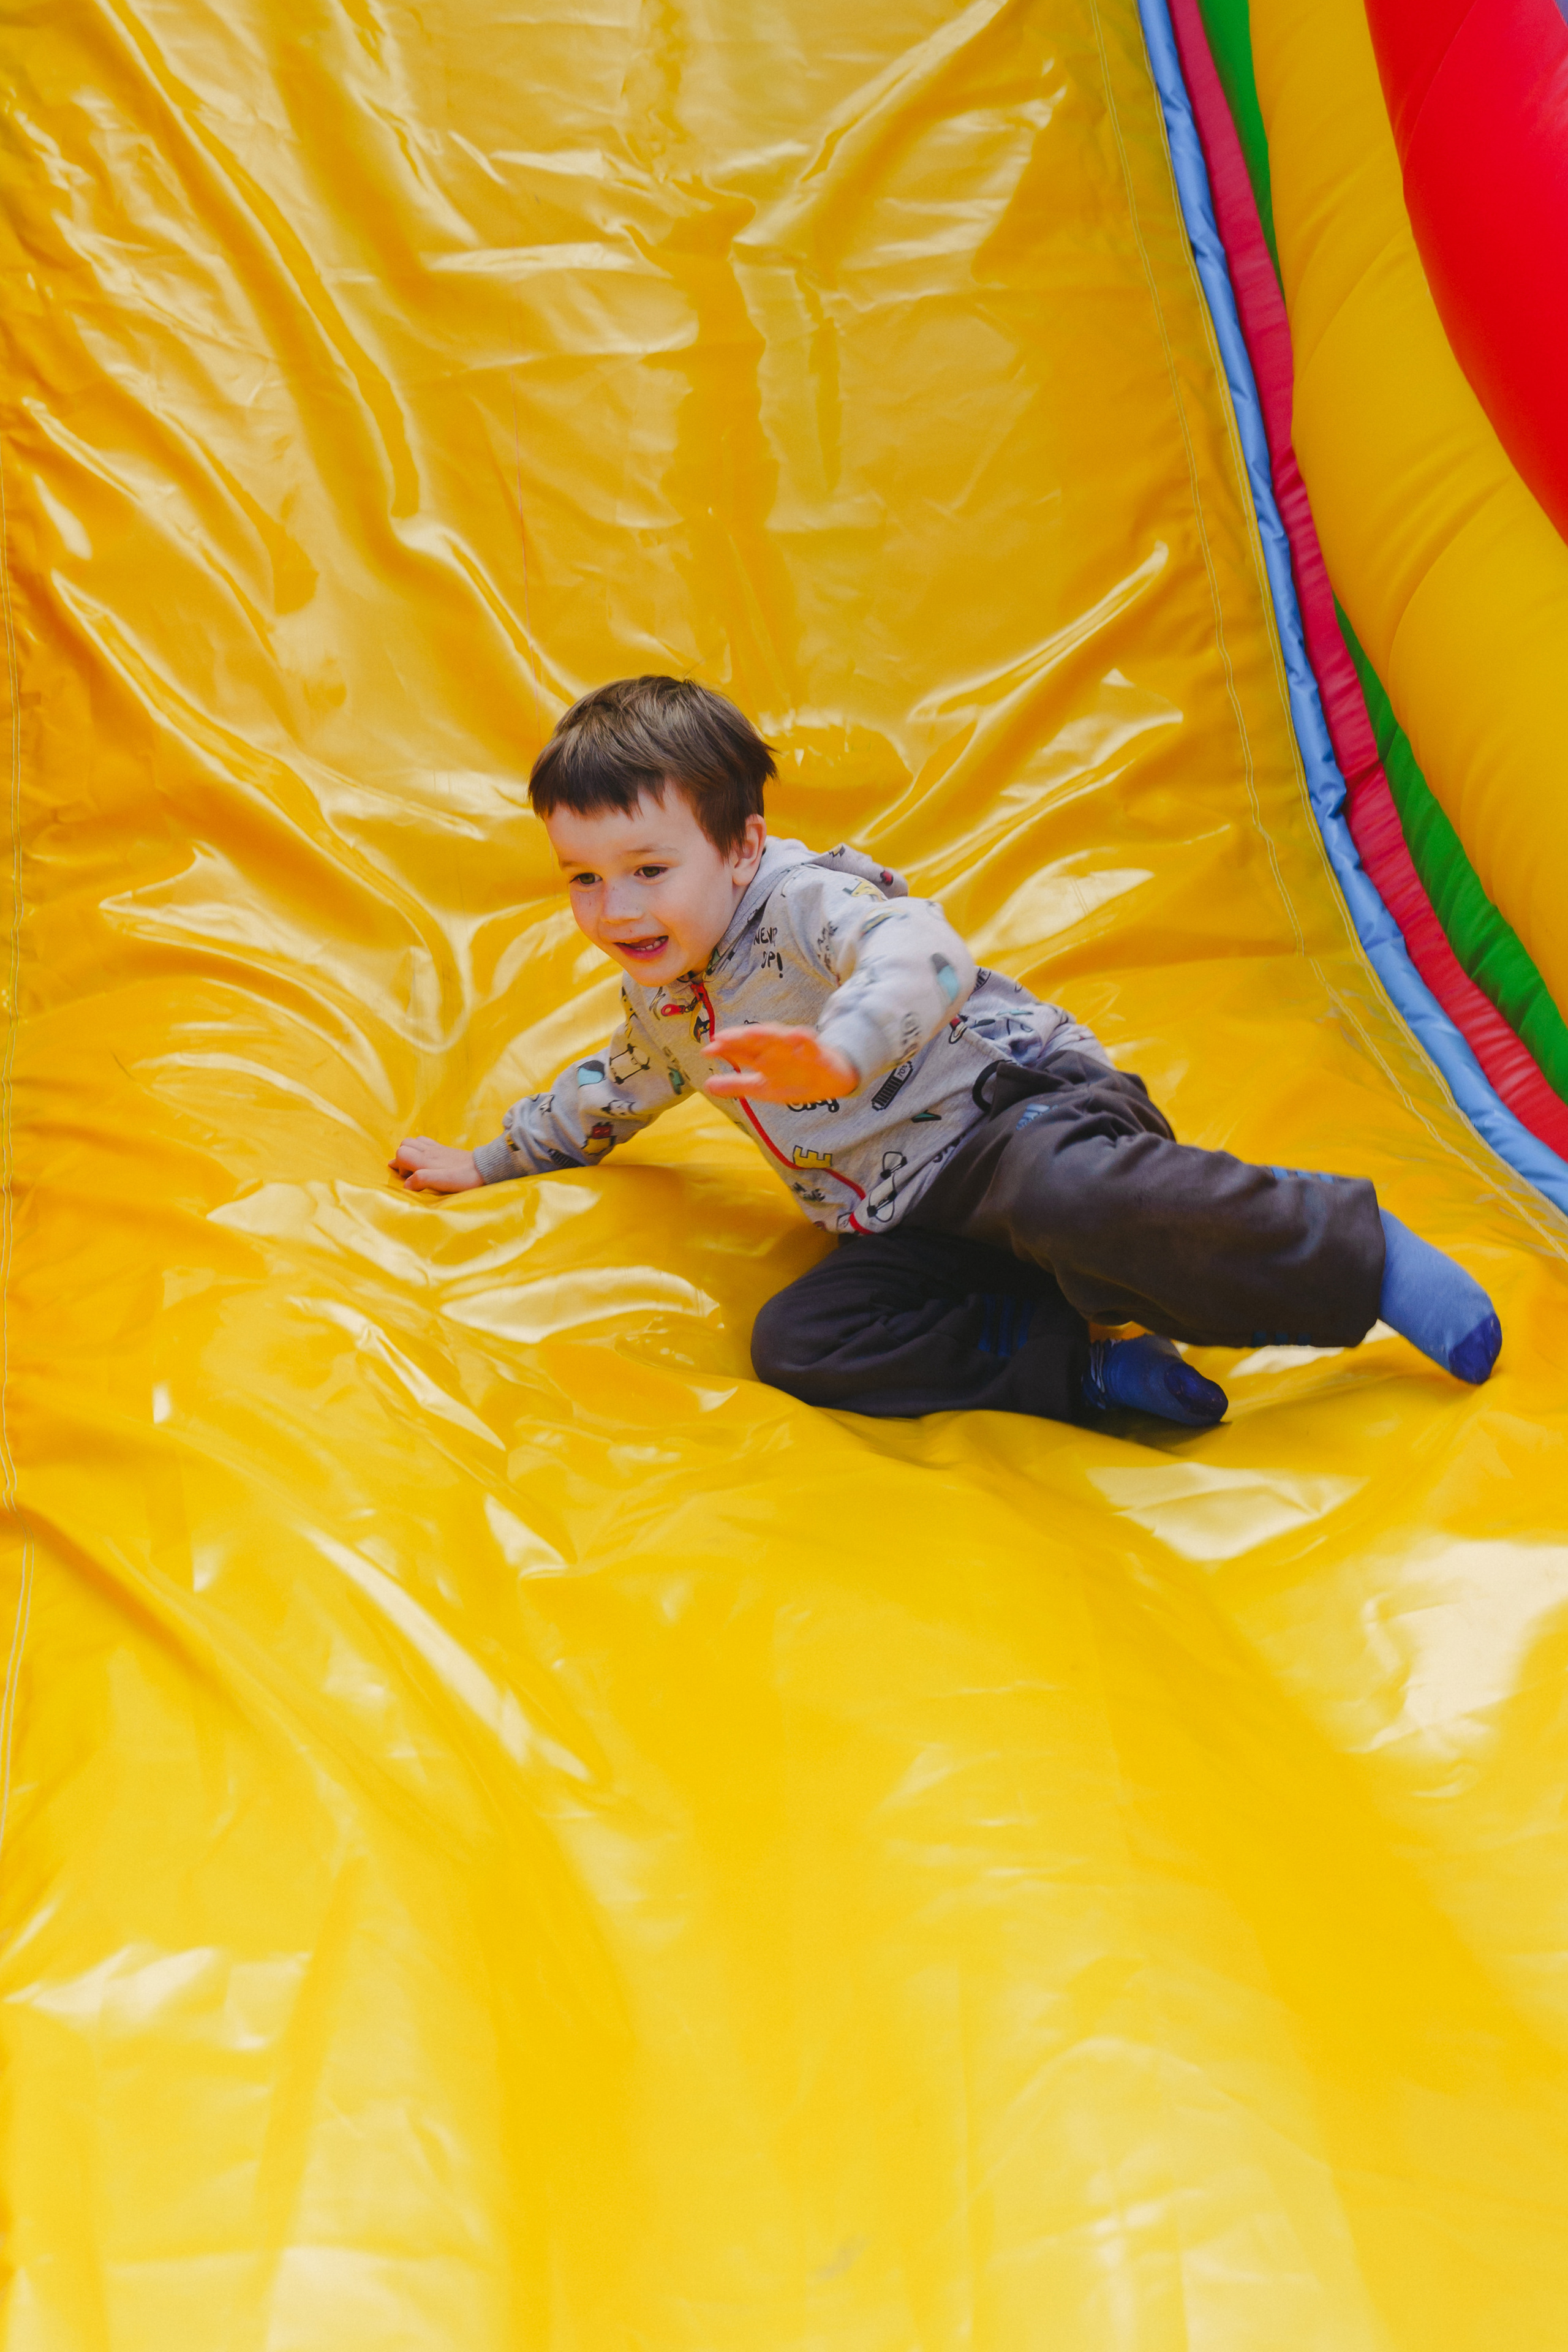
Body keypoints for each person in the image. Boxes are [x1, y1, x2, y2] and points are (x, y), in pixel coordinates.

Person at [392, 676, 1502, 1428]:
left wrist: (839, 1054)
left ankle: (1358, 1256)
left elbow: (923, 954)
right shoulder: (668, 1005)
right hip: (914, 1212)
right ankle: (1086, 1372)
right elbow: (616, 1090)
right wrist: (493, 1161)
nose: (614, 907)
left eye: (645, 868)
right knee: (802, 1342)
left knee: (1074, 1200)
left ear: (742, 848)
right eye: (583, 879)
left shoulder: (809, 905)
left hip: (1016, 1120)